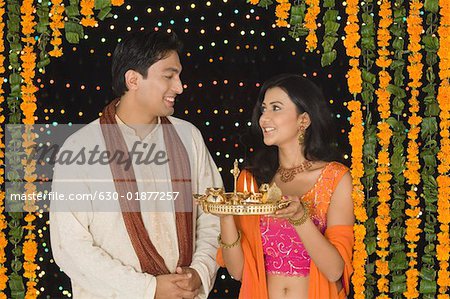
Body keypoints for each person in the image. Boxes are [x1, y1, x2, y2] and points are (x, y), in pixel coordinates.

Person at [50, 30, 222, 299]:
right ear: (133, 80)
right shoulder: (80, 147)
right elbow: (69, 245)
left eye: (178, 76)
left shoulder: (188, 137)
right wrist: (148, 289)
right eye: (168, 76)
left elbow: (213, 214)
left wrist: (199, 271)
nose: (179, 87)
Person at [216, 74, 355, 299]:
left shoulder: (335, 178)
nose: (264, 118)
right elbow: (237, 271)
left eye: (276, 108)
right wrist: (225, 216)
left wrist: (300, 218)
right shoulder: (251, 180)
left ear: (304, 120)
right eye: (263, 109)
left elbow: (334, 270)